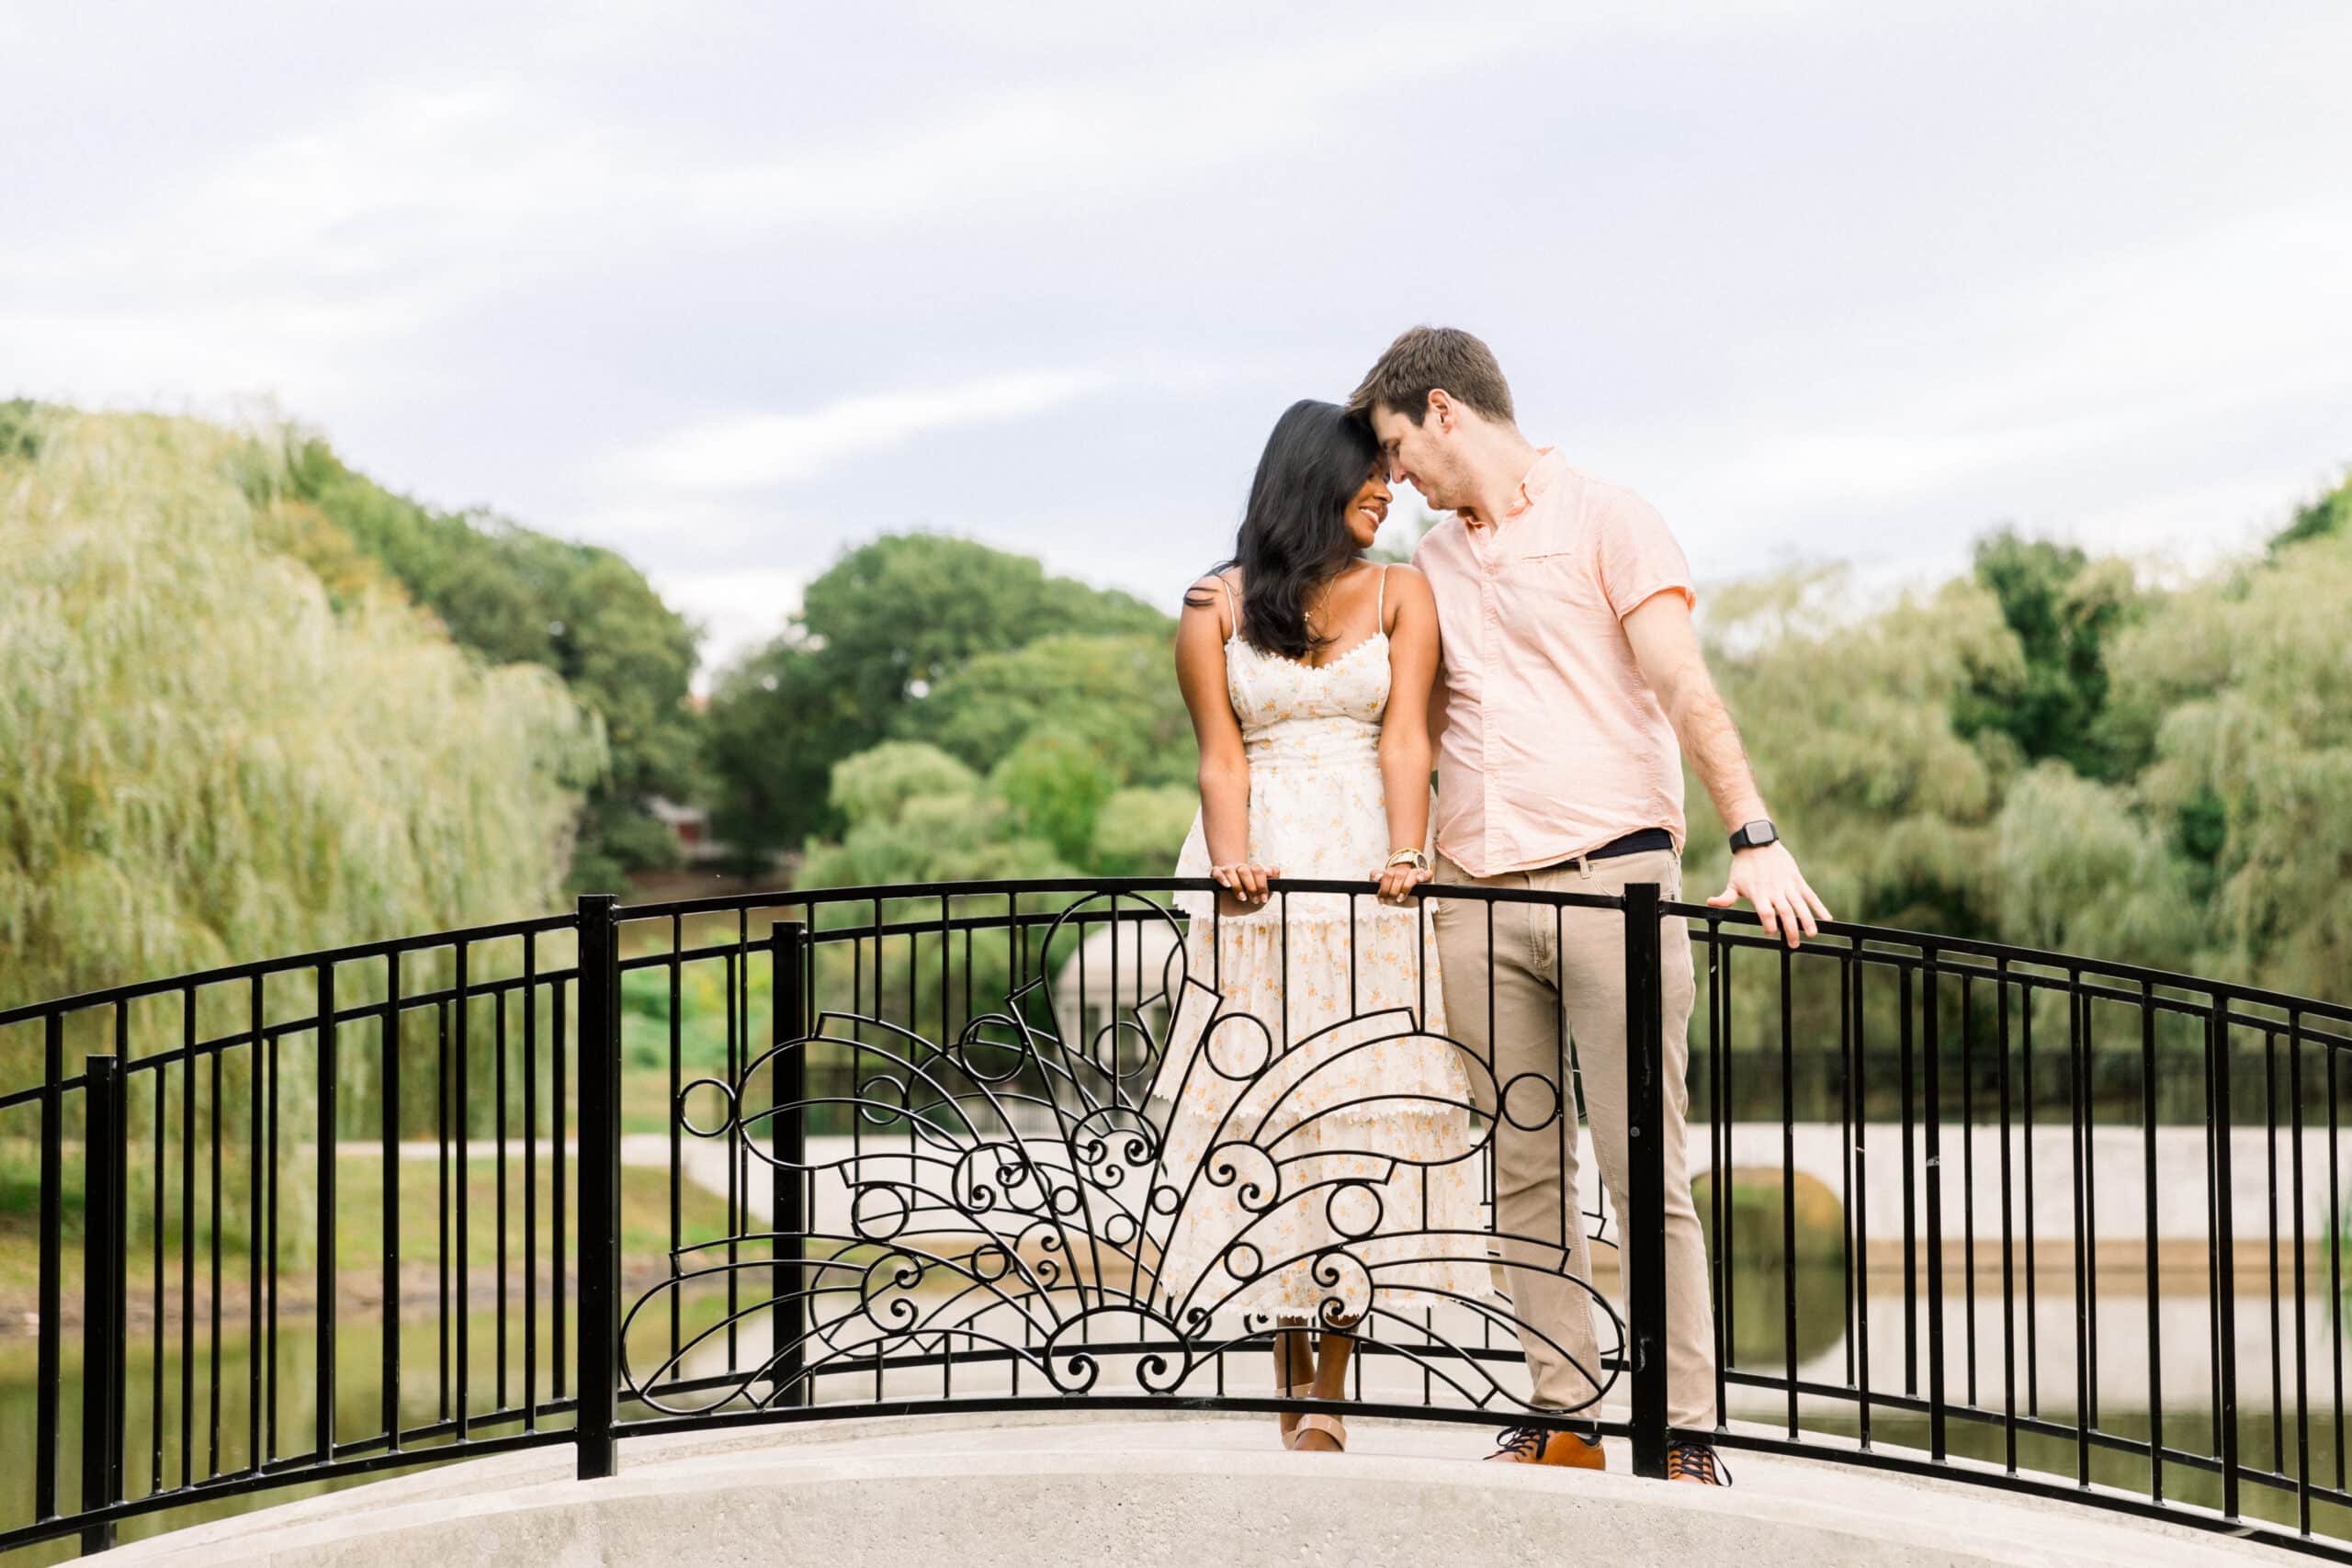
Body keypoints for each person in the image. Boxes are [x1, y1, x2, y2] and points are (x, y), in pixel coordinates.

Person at [1348, 326, 1832, 1486]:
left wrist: (1752, 833)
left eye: (1398, 446)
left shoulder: (1610, 517)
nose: (1396, 472)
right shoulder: (1434, 560)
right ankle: (1560, 1413)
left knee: (1640, 1166)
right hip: (1472, 894)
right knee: (1518, 1165)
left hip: (1610, 884)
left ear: (1443, 409)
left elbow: (1680, 683)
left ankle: (1680, 1427)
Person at [1146, 398, 1492, 1455]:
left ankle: (1331, 1391)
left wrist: (1406, 851)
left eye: (1390, 467)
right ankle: (1280, 1376)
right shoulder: (1214, 609)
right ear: (1309, 477)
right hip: (1255, 881)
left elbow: (1404, 741)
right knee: (1261, 1123)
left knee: (1352, 1125)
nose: (1387, 485)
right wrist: (1230, 855)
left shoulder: (1402, 592)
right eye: (1367, 470)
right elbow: (1219, 755)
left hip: (1365, 877)